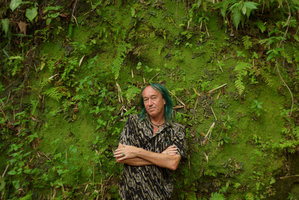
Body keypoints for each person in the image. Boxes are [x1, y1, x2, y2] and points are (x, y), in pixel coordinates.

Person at [114, 83, 186, 200]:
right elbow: (120, 156)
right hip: (130, 194)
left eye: (153, 98)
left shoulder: (177, 130)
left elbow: (172, 163)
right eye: (146, 99)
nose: (149, 103)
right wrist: (161, 158)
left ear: (164, 100)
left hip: (159, 195)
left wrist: (137, 152)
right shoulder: (133, 122)